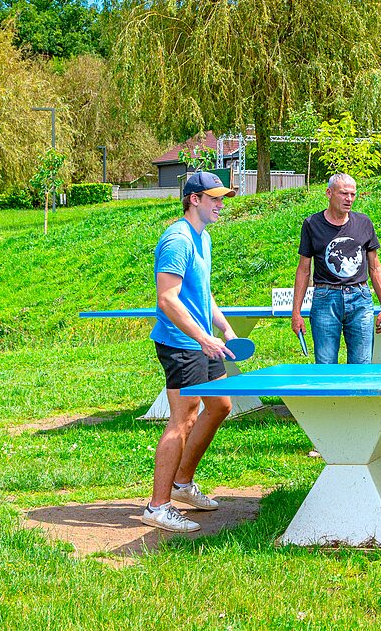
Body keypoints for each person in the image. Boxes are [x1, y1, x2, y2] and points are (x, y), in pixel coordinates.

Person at [141, 170, 239, 533]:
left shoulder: (204, 238)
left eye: (222, 198)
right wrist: (202, 337)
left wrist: (224, 327)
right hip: (181, 344)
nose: (220, 204)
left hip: (202, 341)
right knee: (183, 419)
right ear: (193, 199)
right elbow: (167, 299)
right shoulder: (178, 240)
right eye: (214, 198)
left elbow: (202, 292)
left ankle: (182, 484)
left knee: (221, 405)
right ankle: (158, 506)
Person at [291, 173, 381, 364]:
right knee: (326, 365)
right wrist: (296, 313)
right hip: (325, 299)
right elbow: (304, 269)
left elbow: (375, 266)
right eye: (344, 194)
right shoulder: (312, 224)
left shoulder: (363, 223)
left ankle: (359, 394)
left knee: (362, 365)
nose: (349, 199)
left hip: (360, 299)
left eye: (353, 194)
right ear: (329, 193)